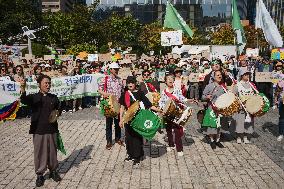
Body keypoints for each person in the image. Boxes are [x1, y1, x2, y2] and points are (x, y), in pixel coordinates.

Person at [20, 75, 62, 187]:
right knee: (39, 153)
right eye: (45, 83)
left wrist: (57, 113)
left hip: (52, 129)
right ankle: (40, 174)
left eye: (49, 83)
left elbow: (59, 109)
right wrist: (23, 87)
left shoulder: (54, 97)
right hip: (38, 130)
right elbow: (23, 100)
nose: (48, 85)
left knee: (53, 152)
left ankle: (53, 171)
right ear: (39, 84)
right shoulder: (34, 97)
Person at [119, 76, 162, 165]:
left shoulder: (140, 93)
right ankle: (130, 154)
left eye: (132, 82)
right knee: (129, 137)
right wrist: (121, 119)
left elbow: (149, 105)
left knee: (137, 137)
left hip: (138, 119)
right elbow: (122, 107)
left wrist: (158, 110)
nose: (130, 84)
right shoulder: (124, 94)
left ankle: (138, 156)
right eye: (129, 83)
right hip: (128, 119)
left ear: (135, 83)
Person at [159, 75, 194, 156]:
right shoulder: (164, 92)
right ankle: (171, 145)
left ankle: (179, 148)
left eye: (172, 79)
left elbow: (181, 98)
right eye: (168, 79)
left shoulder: (177, 90)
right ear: (165, 82)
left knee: (177, 131)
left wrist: (188, 100)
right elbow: (161, 102)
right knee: (168, 130)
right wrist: (161, 109)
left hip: (177, 113)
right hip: (168, 114)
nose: (170, 80)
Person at [98, 62, 124, 150]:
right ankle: (109, 141)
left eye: (117, 69)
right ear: (110, 70)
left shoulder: (120, 80)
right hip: (109, 105)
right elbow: (99, 90)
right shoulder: (105, 79)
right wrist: (106, 94)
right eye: (115, 69)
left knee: (118, 123)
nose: (117, 70)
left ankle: (118, 138)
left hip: (118, 104)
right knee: (108, 124)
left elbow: (123, 91)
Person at [202, 70, 226, 149]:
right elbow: (202, 97)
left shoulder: (223, 86)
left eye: (220, 75)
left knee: (219, 125)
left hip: (220, 109)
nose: (219, 76)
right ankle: (212, 140)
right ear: (213, 77)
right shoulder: (209, 86)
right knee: (212, 125)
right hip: (212, 108)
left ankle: (218, 140)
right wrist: (206, 97)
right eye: (217, 75)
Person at [231, 69, 255, 144]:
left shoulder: (251, 84)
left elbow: (255, 94)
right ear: (241, 76)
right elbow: (233, 96)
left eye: (248, 74)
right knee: (240, 122)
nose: (247, 76)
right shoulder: (237, 85)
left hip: (249, 107)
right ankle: (239, 136)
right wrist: (238, 102)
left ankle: (245, 136)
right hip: (240, 107)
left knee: (248, 123)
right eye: (245, 74)